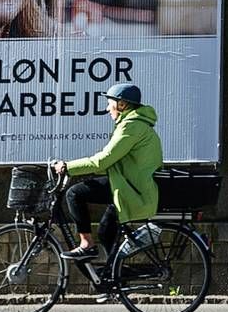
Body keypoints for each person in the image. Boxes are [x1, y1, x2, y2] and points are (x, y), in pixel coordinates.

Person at [51, 82, 162, 263]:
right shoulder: (136, 124)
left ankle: (86, 244)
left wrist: (67, 167)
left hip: (130, 188)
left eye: (110, 103)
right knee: (105, 232)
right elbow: (108, 164)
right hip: (128, 184)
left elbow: (102, 160)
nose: (107, 108)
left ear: (122, 105)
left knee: (74, 193)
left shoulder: (131, 127)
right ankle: (116, 277)